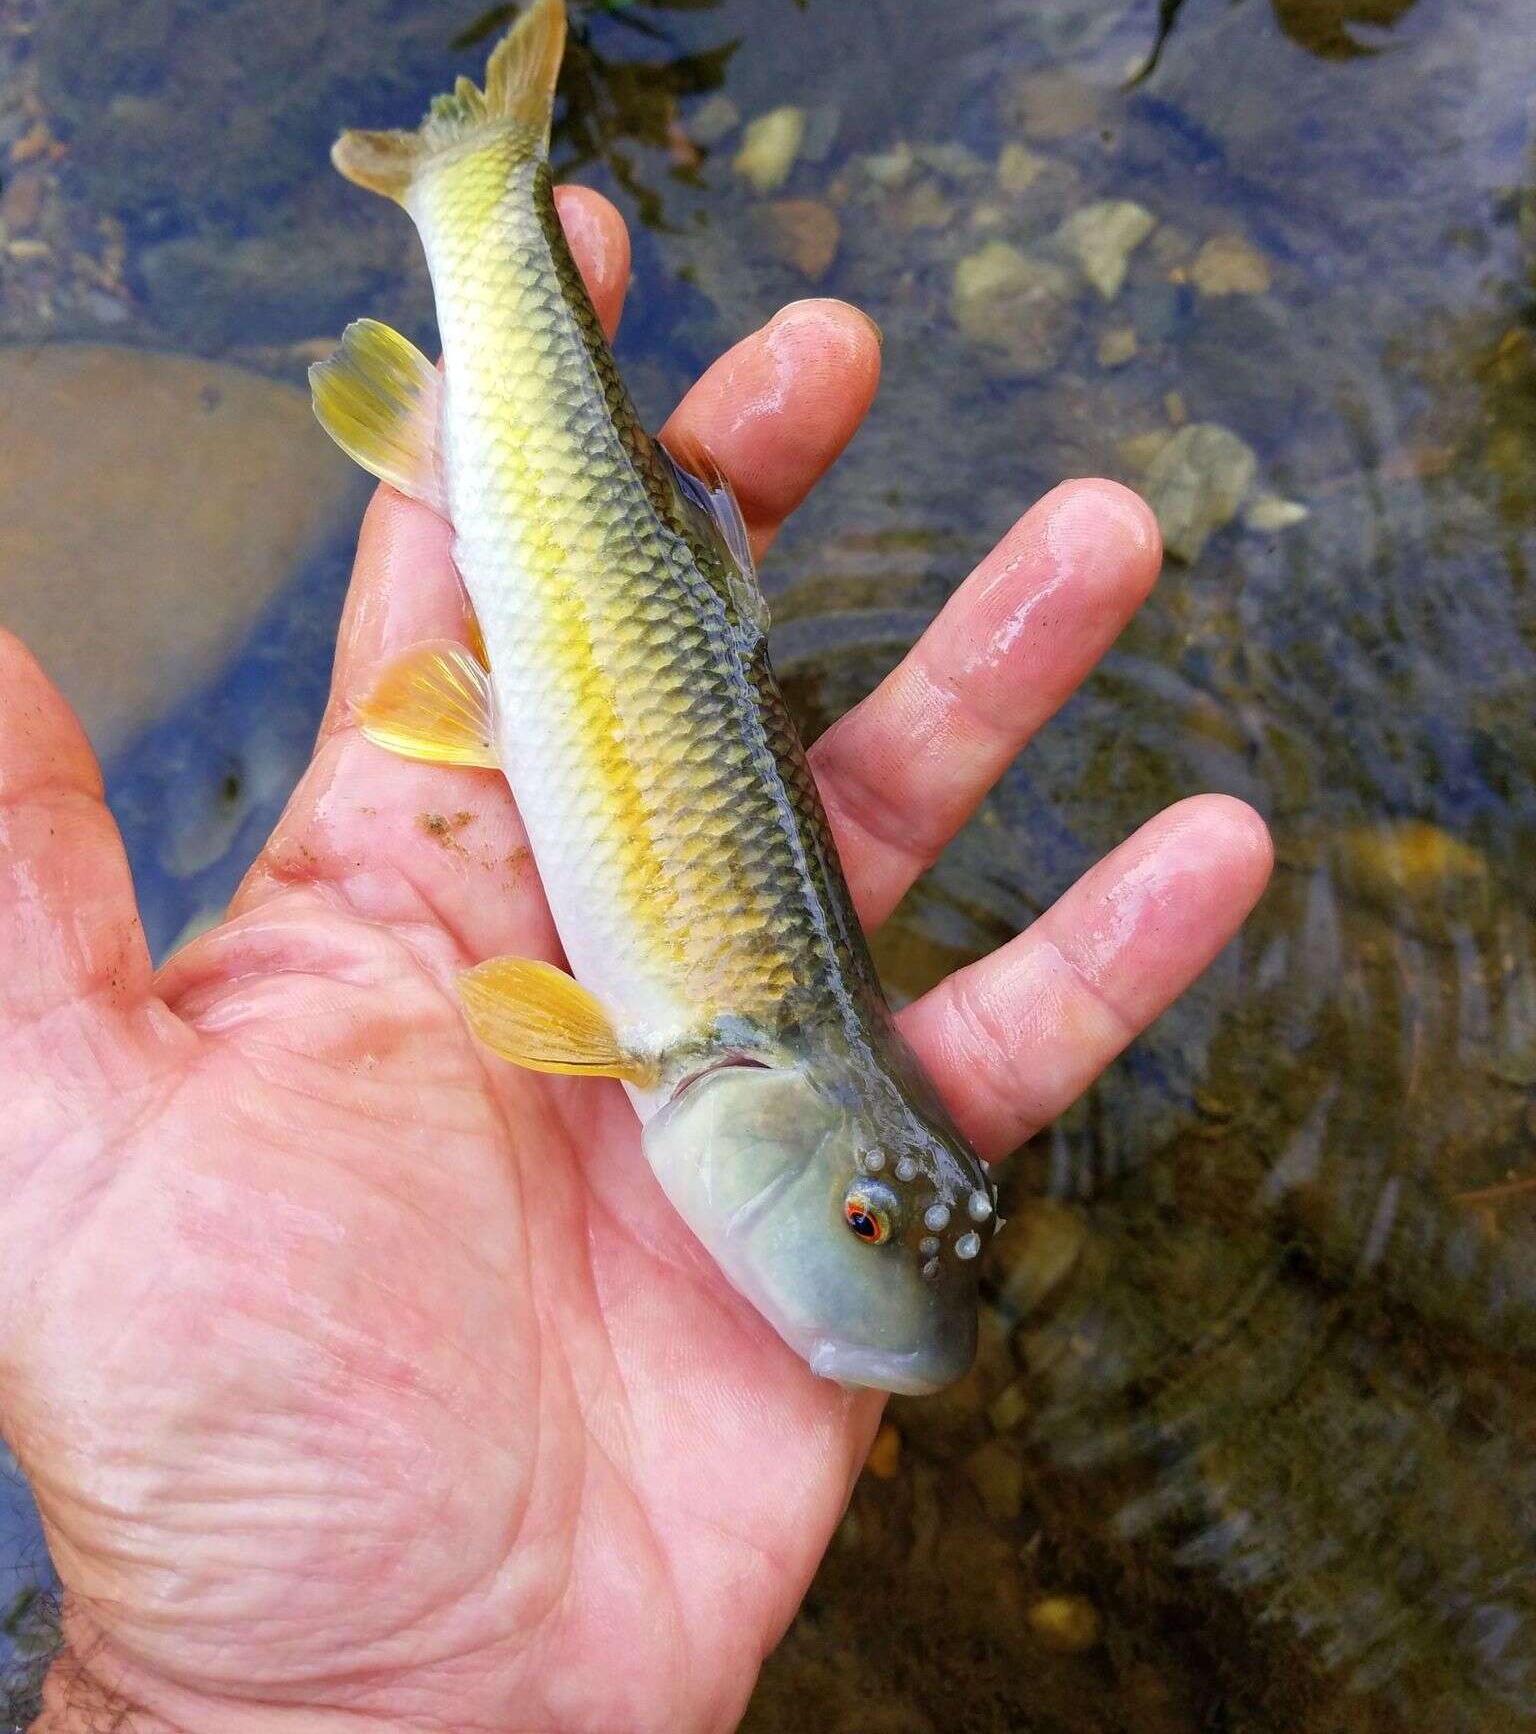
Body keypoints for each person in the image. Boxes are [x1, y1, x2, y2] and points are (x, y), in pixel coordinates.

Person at [0, 190, 1271, 1734]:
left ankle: (478, 207)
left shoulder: (718, 1062)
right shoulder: (710, 1039)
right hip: (606, 630)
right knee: (524, 341)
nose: (876, 1259)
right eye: (865, 1214)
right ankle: (477, 199)